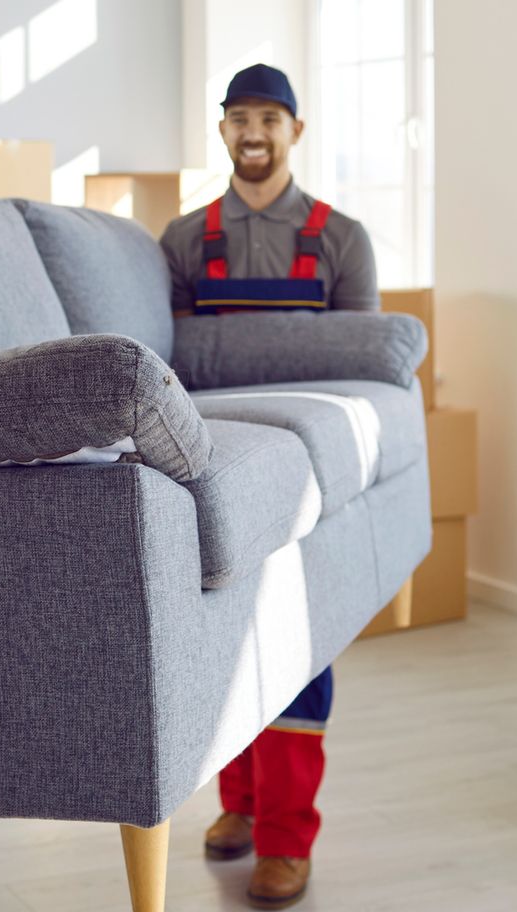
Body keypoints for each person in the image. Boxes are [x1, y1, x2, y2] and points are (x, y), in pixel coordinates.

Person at [158, 62, 379, 911]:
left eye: (269, 118)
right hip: (212, 466)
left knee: (297, 651)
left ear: (295, 130)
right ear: (222, 131)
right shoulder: (182, 241)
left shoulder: (342, 240)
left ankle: (288, 840)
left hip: (307, 472)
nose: (254, 132)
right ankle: (240, 807)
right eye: (238, 118)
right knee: (223, 643)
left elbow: (362, 371)